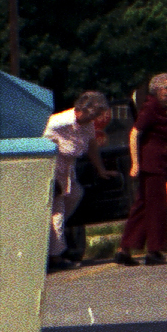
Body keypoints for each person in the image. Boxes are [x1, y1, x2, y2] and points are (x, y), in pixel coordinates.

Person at [115, 73, 167, 265]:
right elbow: (135, 133)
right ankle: (154, 251)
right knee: (157, 208)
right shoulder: (150, 107)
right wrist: (135, 163)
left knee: (143, 207)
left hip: (160, 161)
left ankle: (124, 250)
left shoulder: (162, 109)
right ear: (156, 89)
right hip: (151, 165)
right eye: (166, 88)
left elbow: (160, 131)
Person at [45, 91, 109, 270]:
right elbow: (40, 141)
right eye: (95, 114)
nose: (96, 118)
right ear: (85, 110)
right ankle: (55, 258)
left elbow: (91, 145)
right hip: (52, 169)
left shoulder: (87, 125)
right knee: (56, 213)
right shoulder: (58, 122)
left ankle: (52, 246)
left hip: (68, 171)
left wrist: (100, 169)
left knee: (73, 197)